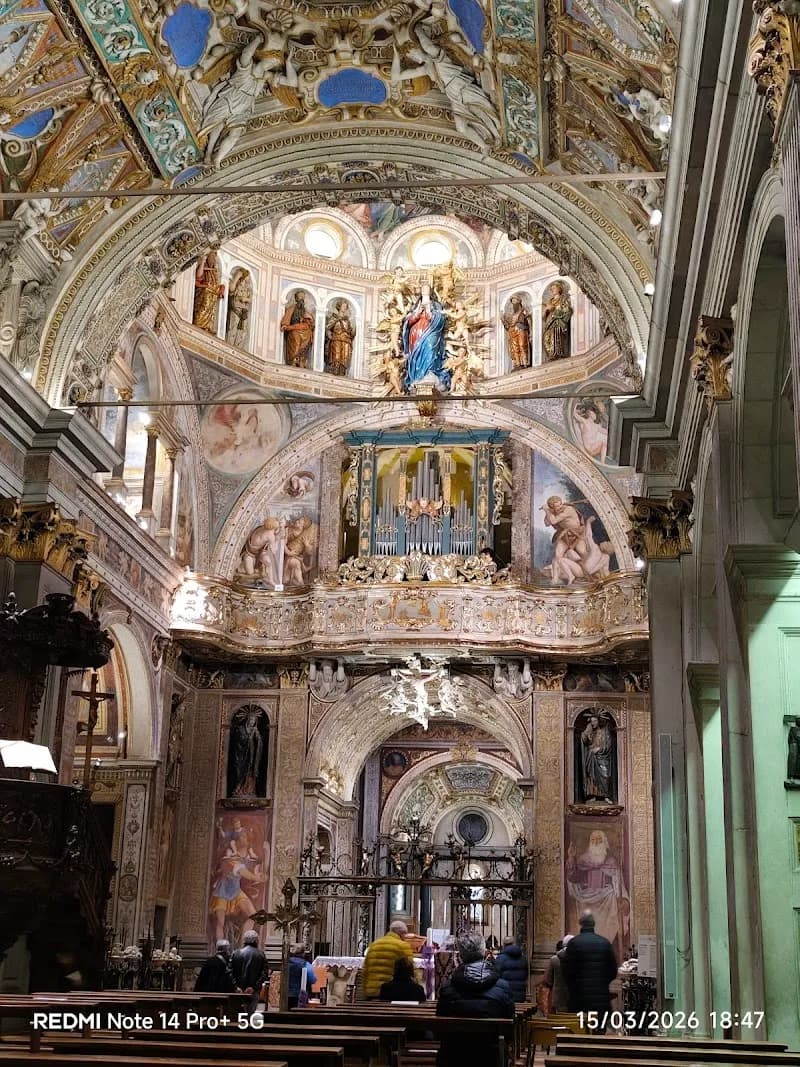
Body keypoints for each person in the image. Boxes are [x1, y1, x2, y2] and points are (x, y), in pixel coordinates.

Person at [435, 931, 515, 1067]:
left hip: (453, 1057)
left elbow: (439, 1029)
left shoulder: (448, 989)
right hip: (490, 1058)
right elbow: (509, 1029)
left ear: (460, 956)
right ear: (484, 952)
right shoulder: (502, 988)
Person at [561, 912, 617, 1029]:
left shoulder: (574, 944)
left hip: (579, 999)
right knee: (599, 1036)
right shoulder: (605, 943)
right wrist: (602, 983)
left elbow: (567, 972)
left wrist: (574, 987)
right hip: (601, 1000)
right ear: (593, 925)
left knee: (580, 1033)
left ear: (581, 924)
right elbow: (613, 971)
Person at [361, 920, 414, 998]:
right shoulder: (403, 946)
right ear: (401, 933)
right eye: (405, 935)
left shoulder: (374, 945)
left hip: (371, 992)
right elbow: (410, 970)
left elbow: (365, 970)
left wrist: (365, 991)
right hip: (391, 993)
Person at [231, 930, 267, 1012]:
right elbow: (264, 973)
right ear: (256, 940)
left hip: (238, 990)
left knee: (237, 1014)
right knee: (250, 1013)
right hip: (253, 991)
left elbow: (229, 971)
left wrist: (236, 986)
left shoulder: (235, 953)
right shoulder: (260, 954)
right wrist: (254, 987)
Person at [542, 934, 573, 1013]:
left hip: (558, 997)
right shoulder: (579, 959)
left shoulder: (554, 960)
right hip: (573, 998)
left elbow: (548, 980)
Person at [493, 935, 528, 1002]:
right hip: (520, 995)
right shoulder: (522, 958)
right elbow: (525, 974)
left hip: (505, 994)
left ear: (503, 944)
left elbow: (496, 976)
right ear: (514, 943)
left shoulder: (500, 959)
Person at [287, 943, 317, 1009]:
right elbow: (313, 979)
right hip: (300, 995)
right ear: (303, 953)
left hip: (286, 994)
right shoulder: (306, 964)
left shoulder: (287, 963)